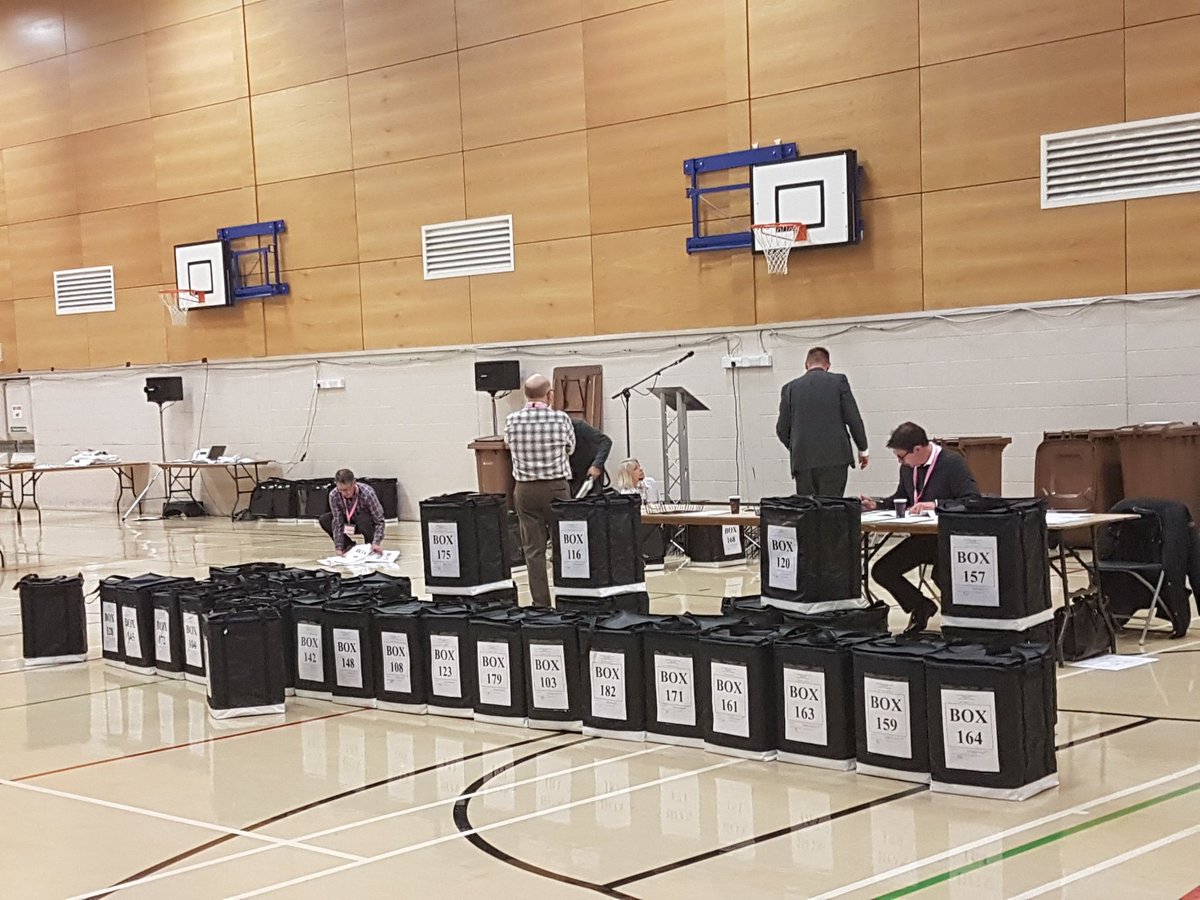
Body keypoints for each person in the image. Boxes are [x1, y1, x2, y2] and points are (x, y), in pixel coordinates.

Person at [861, 422, 980, 634]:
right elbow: (903, 498)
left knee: (940, 575)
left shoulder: (952, 463)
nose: (900, 461)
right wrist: (877, 505)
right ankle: (920, 606)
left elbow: (971, 500)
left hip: (949, 539)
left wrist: (935, 504)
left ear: (917, 449)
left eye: (901, 456)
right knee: (882, 570)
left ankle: (965, 622)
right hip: (922, 538)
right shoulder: (908, 469)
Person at [504, 374, 575, 607]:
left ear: (525, 395)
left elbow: (507, 445)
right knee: (563, 546)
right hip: (557, 488)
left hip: (525, 490)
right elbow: (571, 448)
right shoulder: (561, 419)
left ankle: (541, 605)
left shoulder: (512, 420)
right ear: (550, 395)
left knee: (533, 550)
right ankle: (566, 599)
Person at [775, 346, 869, 497]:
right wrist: (863, 450)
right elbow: (854, 419)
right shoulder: (839, 382)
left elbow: (781, 429)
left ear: (806, 365)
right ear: (828, 366)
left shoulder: (789, 388)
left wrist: (797, 446)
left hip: (803, 461)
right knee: (830, 509)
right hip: (835, 459)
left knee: (808, 512)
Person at [319, 469, 386, 555]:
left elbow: (379, 521)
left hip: (365, 522)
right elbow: (337, 522)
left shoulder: (367, 493)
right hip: (348, 522)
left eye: (347, 490)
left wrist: (376, 542)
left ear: (354, 483)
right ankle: (348, 546)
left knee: (362, 518)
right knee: (325, 519)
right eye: (341, 490)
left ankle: (370, 546)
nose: (344, 493)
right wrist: (339, 547)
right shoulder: (333, 495)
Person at [616, 458, 665, 568]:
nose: (641, 469)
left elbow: (657, 503)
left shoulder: (651, 483)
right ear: (628, 474)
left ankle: (656, 555)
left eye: (640, 466)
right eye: (636, 469)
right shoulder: (626, 494)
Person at [568, 418, 612, 497]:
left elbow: (605, 441)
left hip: (590, 474)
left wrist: (597, 465)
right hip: (572, 476)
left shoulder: (579, 426)